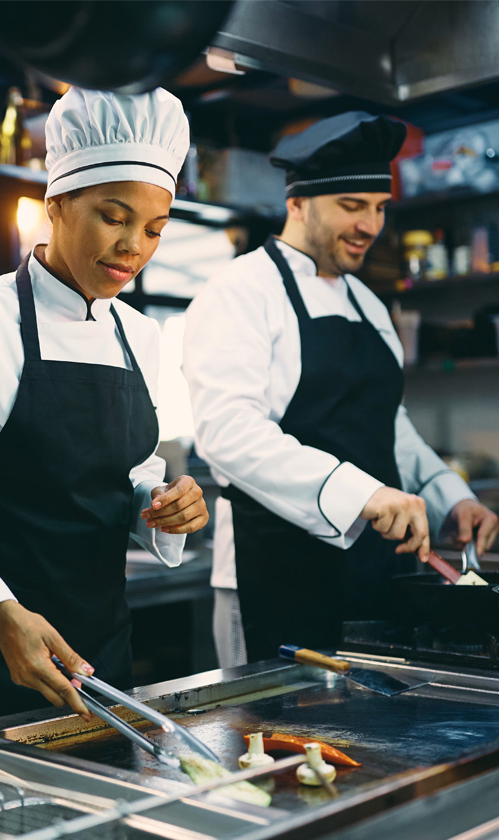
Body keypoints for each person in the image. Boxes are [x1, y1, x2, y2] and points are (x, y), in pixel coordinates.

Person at [0, 86, 209, 722]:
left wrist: (161, 504)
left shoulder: (140, 335)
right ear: (57, 202)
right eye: (114, 217)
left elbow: (130, 471)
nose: (134, 248)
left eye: (154, 229)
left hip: (96, 655)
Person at [182, 111, 498, 667]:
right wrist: (360, 494)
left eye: (378, 208)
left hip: (375, 573)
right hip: (275, 572)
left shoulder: (368, 303)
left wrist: (452, 497)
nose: (371, 226)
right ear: (297, 203)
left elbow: (388, 425)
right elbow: (227, 432)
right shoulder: (239, 290)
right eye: (352, 207)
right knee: (276, 742)